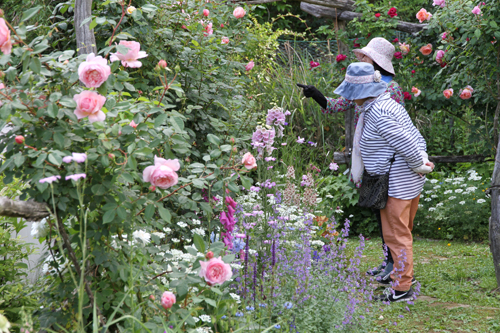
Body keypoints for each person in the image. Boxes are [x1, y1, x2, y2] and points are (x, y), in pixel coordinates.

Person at [297, 37, 406, 282]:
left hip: (387, 159)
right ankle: (388, 261)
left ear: (375, 61)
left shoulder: (392, 88)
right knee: (380, 210)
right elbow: (336, 105)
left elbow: (396, 128)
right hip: (369, 156)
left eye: (364, 56)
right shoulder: (362, 83)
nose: (360, 58)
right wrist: (316, 94)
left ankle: (394, 265)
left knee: (389, 213)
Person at [331, 62, 433, 302]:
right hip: (407, 181)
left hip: (397, 182)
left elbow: (405, 142)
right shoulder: (386, 103)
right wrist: (422, 161)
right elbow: (416, 136)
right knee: (401, 233)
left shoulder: (378, 112)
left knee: (396, 235)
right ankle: (404, 276)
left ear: (361, 92)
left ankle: (402, 289)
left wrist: (419, 163)